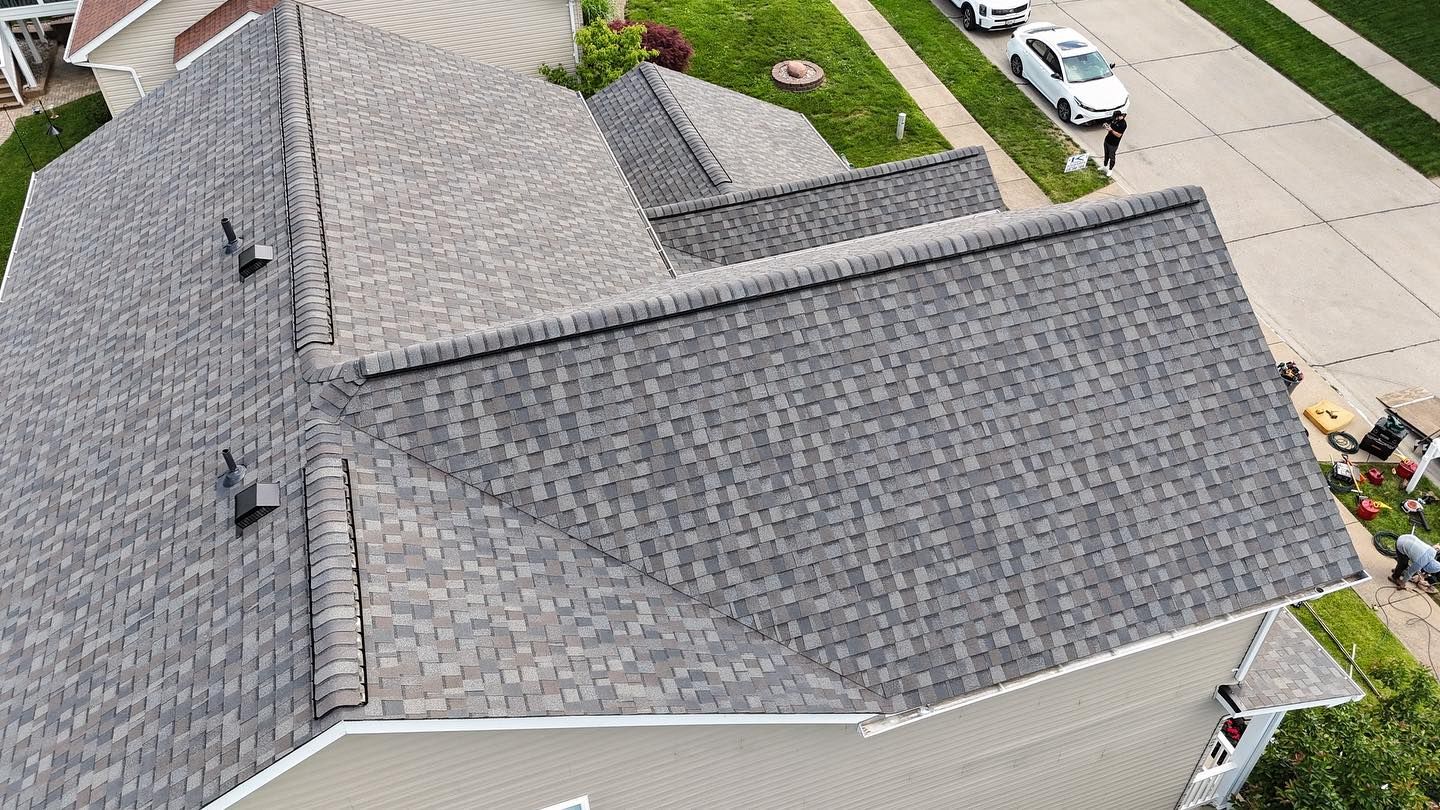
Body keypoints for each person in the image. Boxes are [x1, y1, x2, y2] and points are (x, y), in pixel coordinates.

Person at [1102, 111, 1127, 176]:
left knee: (1112, 156)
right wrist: (1105, 125)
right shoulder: (1114, 119)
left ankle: (1110, 170)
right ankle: (1104, 166)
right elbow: (1108, 122)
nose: (1113, 119)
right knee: (1106, 154)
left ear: (1119, 116)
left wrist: (1111, 130)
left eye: (1115, 117)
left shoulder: (1123, 124)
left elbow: (1119, 135)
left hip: (1113, 144)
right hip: (1107, 140)